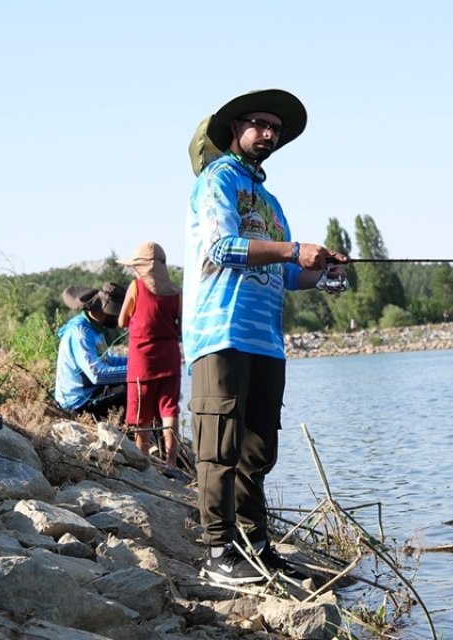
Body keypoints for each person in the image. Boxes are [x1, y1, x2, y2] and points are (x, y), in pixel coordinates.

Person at [184, 89, 349, 585]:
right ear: (235, 129)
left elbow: (289, 275)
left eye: (275, 128)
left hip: (266, 342)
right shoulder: (218, 180)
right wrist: (293, 249)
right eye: (258, 123)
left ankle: (255, 546)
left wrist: (322, 269)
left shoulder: (272, 203)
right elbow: (223, 246)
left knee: (258, 451)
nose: (268, 133)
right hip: (222, 333)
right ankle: (217, 552)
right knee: (219, 446)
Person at [118, 241, 184, 480]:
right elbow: (180, 324)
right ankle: (171, 463)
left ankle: (142, 458)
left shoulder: (135, 287)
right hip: (170, 357)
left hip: (142, 360)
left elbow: (121, 320)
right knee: (169, 410)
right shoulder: (177, 293)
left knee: (141, 412)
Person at [54, 283, 128, 418]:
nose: (117, 318)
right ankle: (135, 435)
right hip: (78, 402)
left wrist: (137, 361)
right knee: (130, 388)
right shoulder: (81, 333)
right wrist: (137, 372)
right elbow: (97, 374)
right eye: (114, 313)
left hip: (91, 392)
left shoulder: (95, 329)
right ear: (100, 310)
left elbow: (107, 360)